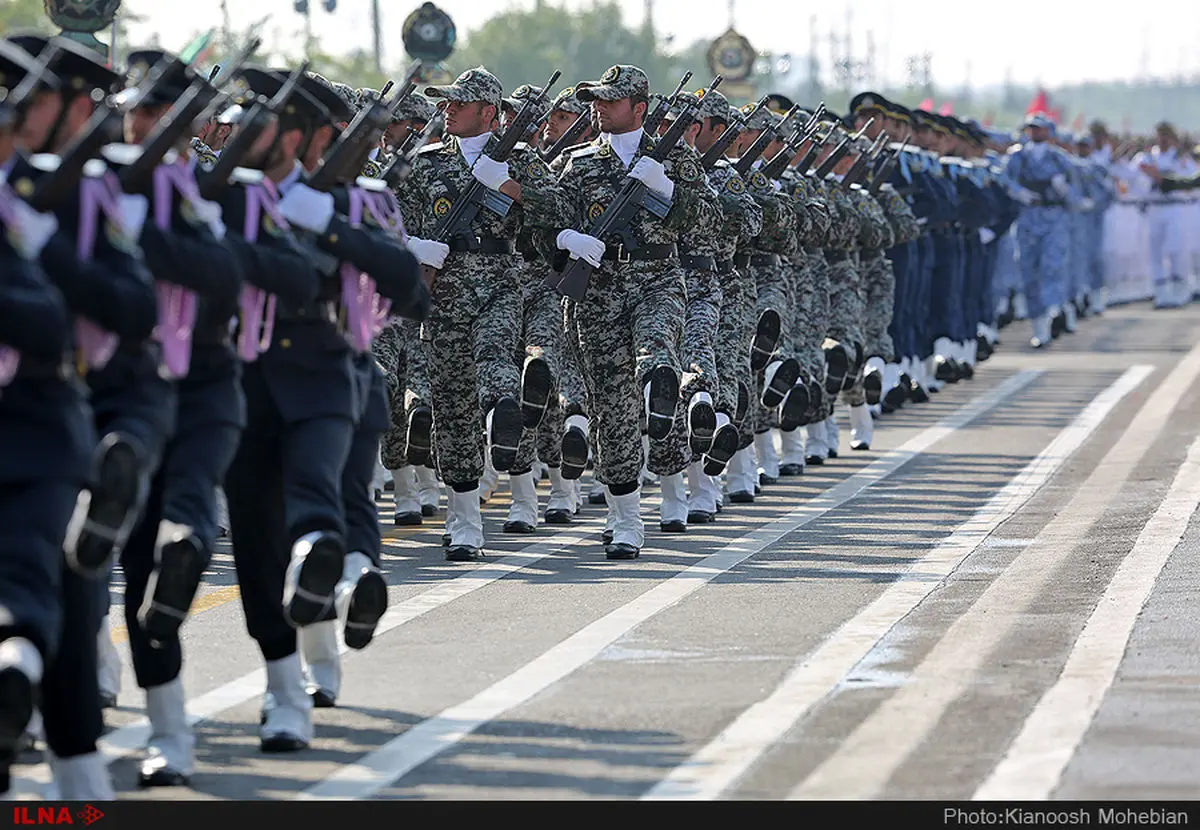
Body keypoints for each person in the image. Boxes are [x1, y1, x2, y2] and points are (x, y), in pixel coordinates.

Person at [106, 47, 245, 787]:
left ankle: (172, 737)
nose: (139, 122)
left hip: (201, 387)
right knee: (134, 574)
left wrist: (138, 233)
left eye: (155, 111)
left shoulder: (210, 190)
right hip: (122, 389)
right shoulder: (92, 187)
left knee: (179, 523)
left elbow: (225, 279)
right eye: (133, 109)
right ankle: (165, 732)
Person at [395, 66, 564, 561]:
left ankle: (504, 420)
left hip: (499, 286)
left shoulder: (521, 160)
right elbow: (390, 223)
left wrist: (509, 185)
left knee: (495, 359)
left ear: (488, 113)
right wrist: (414, 247)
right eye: (446, 103)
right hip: (442, 294)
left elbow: (556, 213)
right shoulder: (424, 165)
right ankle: (465, 521)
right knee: (450, 405)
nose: (448, 110)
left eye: (459, 103)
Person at [547, 64, 711, 558]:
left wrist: (667, 189)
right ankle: (625, 519)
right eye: (595, 100)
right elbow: (542, 223)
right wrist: (564, 237)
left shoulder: (676, 157)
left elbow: (706, 221)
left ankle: (662, 400)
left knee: (657, 355)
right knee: (612, 406)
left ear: (639, 108)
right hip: (597, 291)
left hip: (657, 278)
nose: (599, 109)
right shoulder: (578, 165)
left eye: (610, 101)